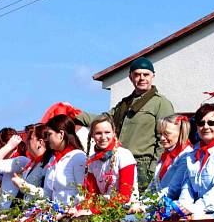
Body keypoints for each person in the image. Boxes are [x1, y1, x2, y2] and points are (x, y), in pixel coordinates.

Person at [79, 57, 174, 189]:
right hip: (117, 161)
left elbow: (165, 140)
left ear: (153, 76)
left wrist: (153, 169)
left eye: (146, 74)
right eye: (137, 74)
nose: (142, 78)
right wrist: (75, 114)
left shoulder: (161, 104)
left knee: (136, 206)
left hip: (142, 165)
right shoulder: (124, 104)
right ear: (130, 77)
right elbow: (102, 120)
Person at [84, 115, 138, 202]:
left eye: (107, 132)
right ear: (92, 135)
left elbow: (124, 197)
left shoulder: (124, 155)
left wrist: (94, 211)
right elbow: (91, 195)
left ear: (114, 133)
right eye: (98, 133)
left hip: (126, 210)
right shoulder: (92, 161)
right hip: (103, 210)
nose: (103, 137)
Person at [37, 115, 87, 207]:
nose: (46, 139)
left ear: (61, 134)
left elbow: (83, 193)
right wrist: (25, 187)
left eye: (49, 134)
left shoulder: (78, 157)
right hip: (54, 214)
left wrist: (67, 211)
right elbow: (47, 192)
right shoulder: (53, 158)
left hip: (70, 215)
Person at [0, 127, 29, 211]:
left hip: (14, 214)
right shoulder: (9, 165)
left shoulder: (20, 161)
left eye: (0, 148)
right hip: (6, 213)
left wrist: (10, 145)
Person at [148, 114, 192, 198]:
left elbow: (172, 190)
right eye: (160, 134)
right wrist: (141, 201)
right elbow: (153, 185)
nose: (162, 138)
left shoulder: (186, 156)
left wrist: (144, 205)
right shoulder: (166, 154)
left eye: (167, 134)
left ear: (181, 133)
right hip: (157, 202)